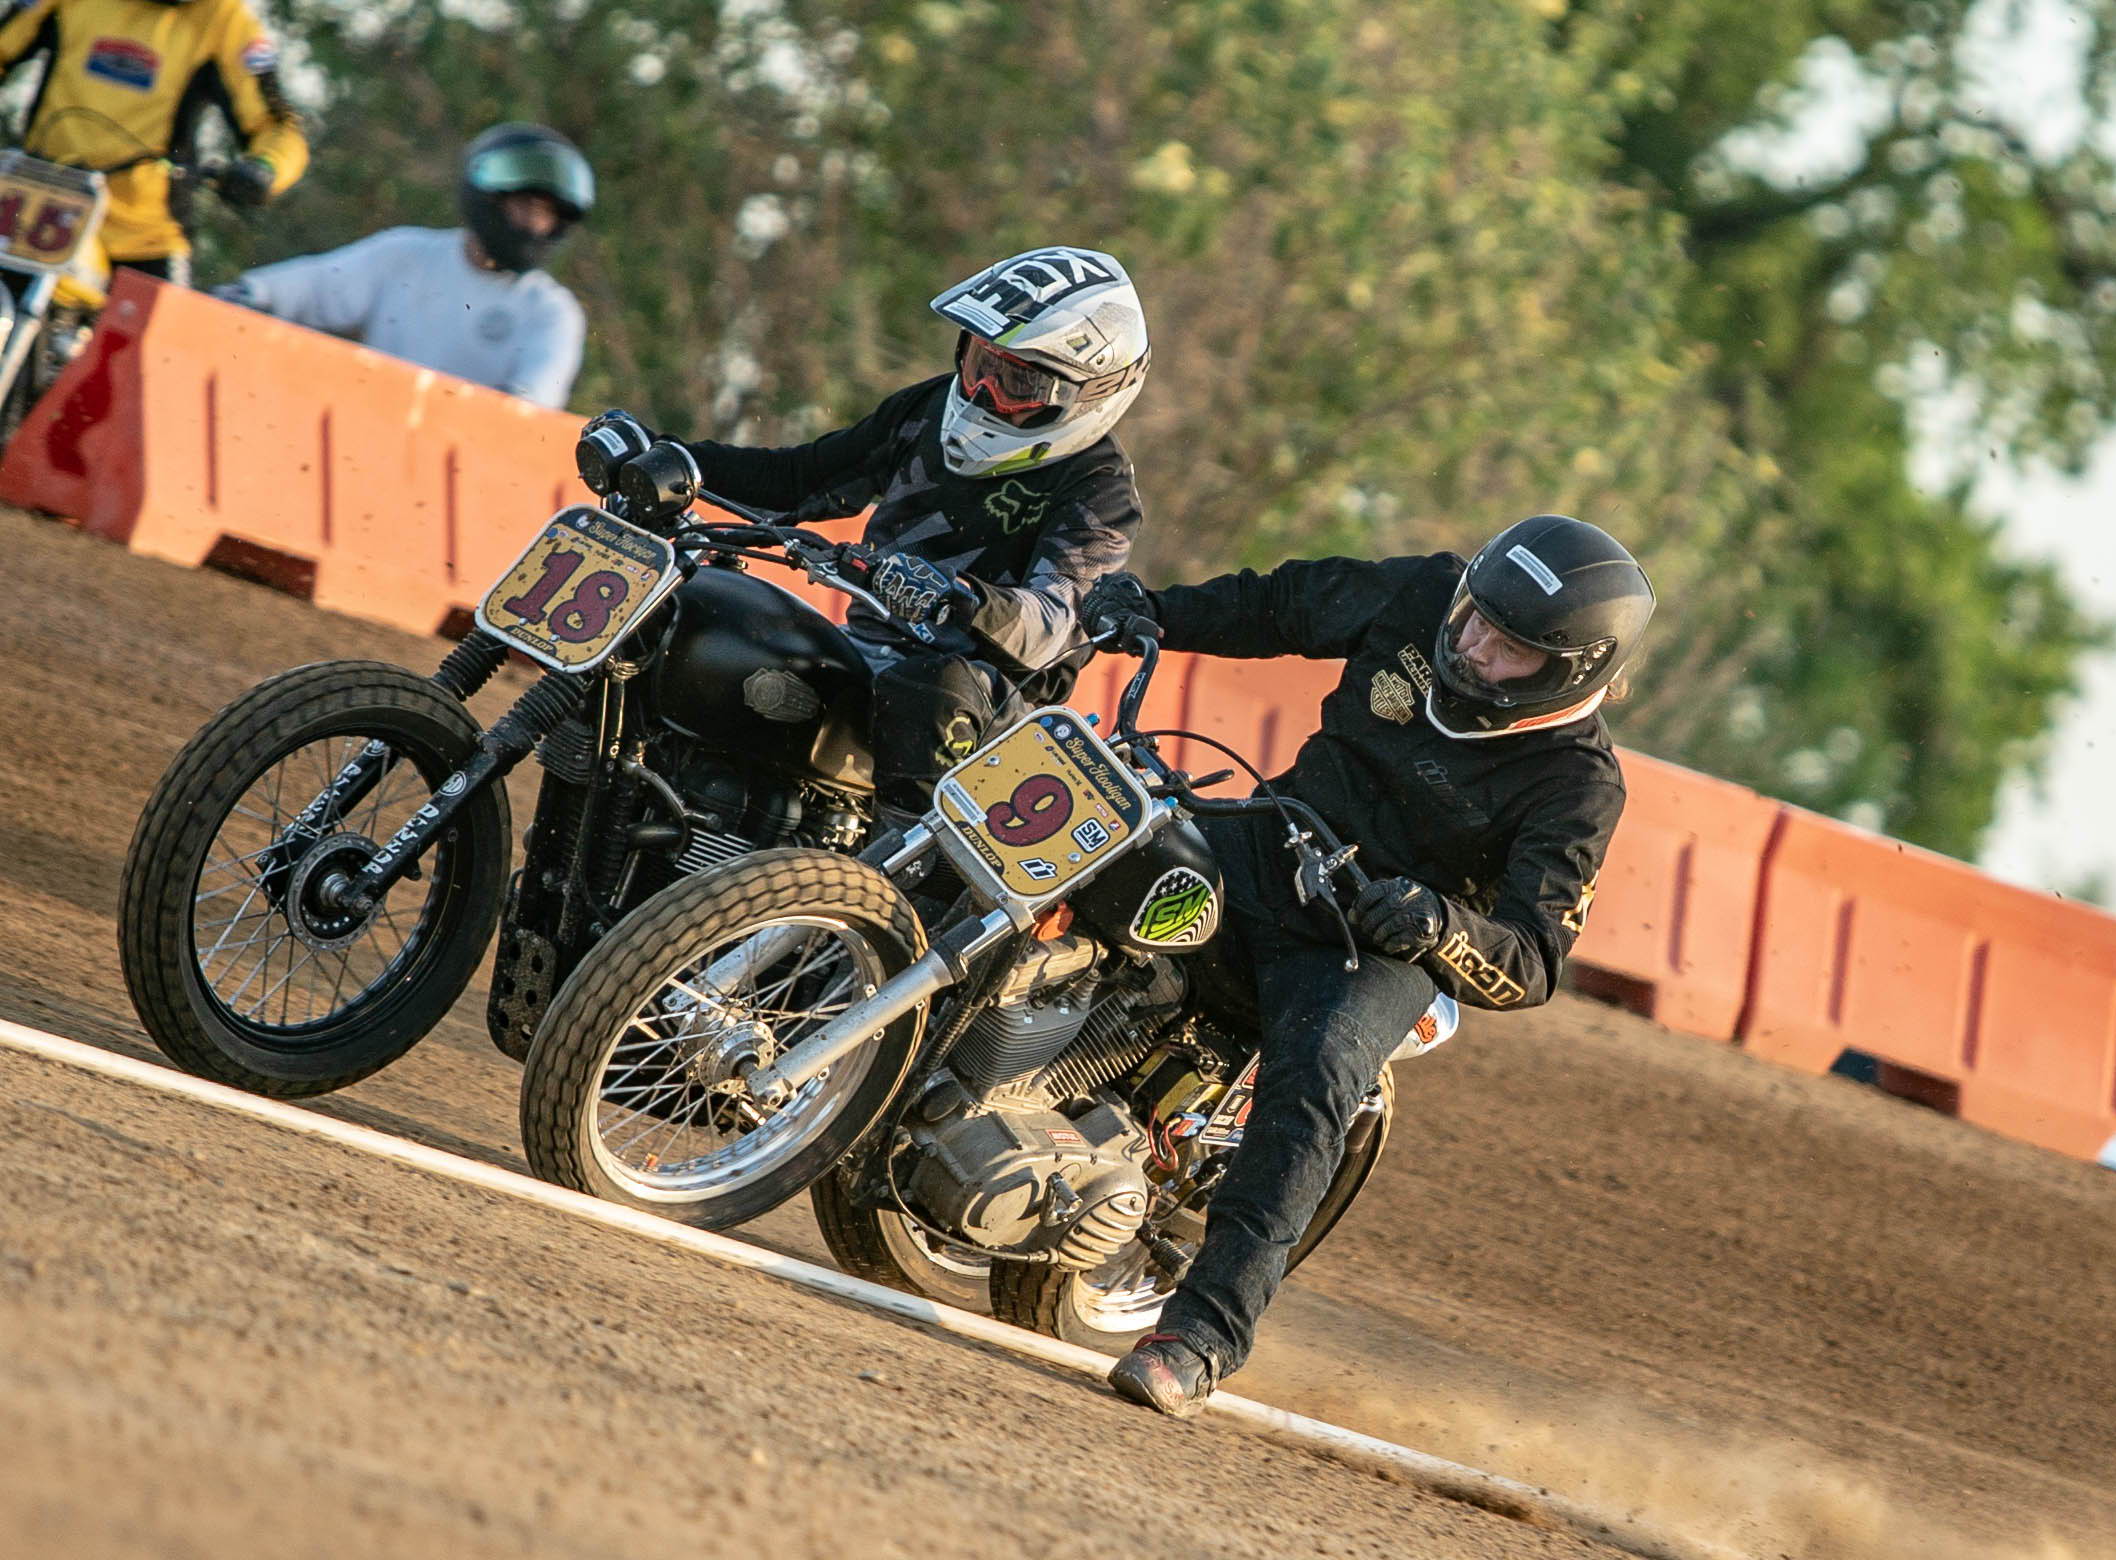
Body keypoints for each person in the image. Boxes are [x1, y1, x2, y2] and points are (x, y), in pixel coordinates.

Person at [1078, 513, 1655, 1416]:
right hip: (1267, 842)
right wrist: (1152, 610)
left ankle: (1199, 1338)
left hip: (1368, 947)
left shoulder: (1577, 785)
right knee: (1094, 848)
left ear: (1570, 670)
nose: (1472, 646)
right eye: (1474, 618)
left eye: (1508, 648)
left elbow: (1535, 958)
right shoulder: (1421, 594)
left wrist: (1438, 924)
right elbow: (1279, 605)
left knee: (1313, 1081)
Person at [671, 245, 1153, 824]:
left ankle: (901, 872)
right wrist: (671, 457)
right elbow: (799, 477)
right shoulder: (926, 407)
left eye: (1016, 382)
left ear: (1089, 392)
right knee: (709, 614)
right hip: (866, 650)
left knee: (928, 688)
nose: (983, 393)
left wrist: (962, 599)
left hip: (988, 708)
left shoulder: (1101, 491)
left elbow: (1053, 621)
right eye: (980, 363)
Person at [215, 123, 591, 407]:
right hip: (369, 445)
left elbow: (531, 407)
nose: (534, 224)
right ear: (490, 198)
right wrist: (246, 294)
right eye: (525, 206)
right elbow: (314, 288)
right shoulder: (405, 255)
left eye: (547, 214)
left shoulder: (551, 312)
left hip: (466, 473)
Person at [0, 0, 309, 284]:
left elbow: (276, 126)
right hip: (31, 205)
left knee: (161, 325)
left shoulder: (224, 19)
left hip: (144, 235)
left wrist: (266, 168)